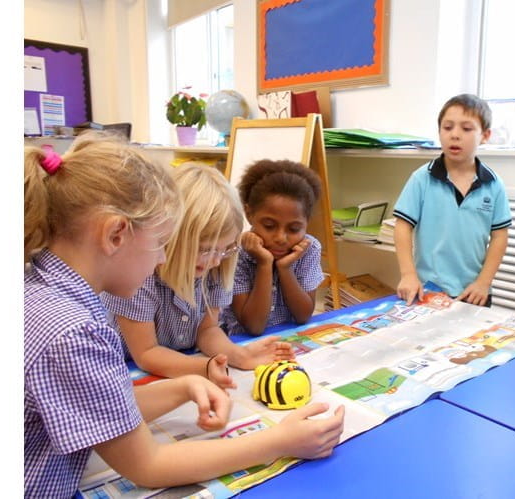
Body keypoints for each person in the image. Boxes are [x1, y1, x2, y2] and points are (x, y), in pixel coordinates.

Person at [24, 134, 345, 497]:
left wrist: (181, 386)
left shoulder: (48, 291)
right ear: (115, 234)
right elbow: (149, 466)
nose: (162, 258)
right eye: (161, 243)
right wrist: (280, 441)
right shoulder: (75, 332)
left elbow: (102, 403)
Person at [102, 164, 294, 384]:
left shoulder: (218, 265)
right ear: (171, 237)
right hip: (126, 372)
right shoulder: (139, 274)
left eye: (224, 249)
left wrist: (239, 356)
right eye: (204, 249)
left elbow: (207, 330)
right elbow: (146, 354)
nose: (215, 260)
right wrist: (206, 367)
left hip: (178, 366)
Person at [392, 93, 512, 307]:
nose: (455, 135)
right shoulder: (422, 178)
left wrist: (484, 283)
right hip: (427, 290)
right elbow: (402, 226)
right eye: (448, 128)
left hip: (473, 292)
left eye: (466, 129)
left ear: (485, 135)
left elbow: (499, 236)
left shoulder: (494, 184)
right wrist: (408, 274)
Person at [220, 159, 326, 336]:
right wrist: (264, 264)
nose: (280, 238)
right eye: (269, 226)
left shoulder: (310, 248)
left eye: (294, 229)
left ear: (307, 222)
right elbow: (254, 327)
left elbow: (303, 315)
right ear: (249, 214)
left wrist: (285, 269)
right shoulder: (236, 252)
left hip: (289, 339)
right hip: (241, 342)